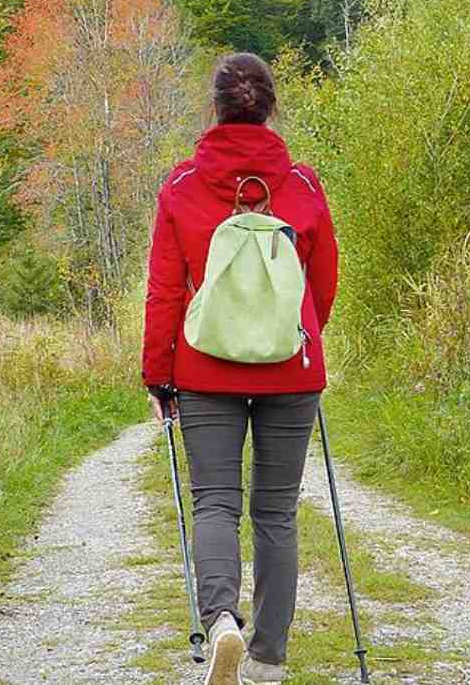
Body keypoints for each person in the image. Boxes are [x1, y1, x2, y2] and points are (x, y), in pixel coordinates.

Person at [141, 52, 339, 685]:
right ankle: (268, 661)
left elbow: (166, 291)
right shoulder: (303, 186)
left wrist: (158, 374)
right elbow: (324, 280)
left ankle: (221, 621)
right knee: (277, 513)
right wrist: (300, 338)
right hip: (290, 369)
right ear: (270, 107)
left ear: (216, 107)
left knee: (217, 502)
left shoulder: (182, 186)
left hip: (205, 369)